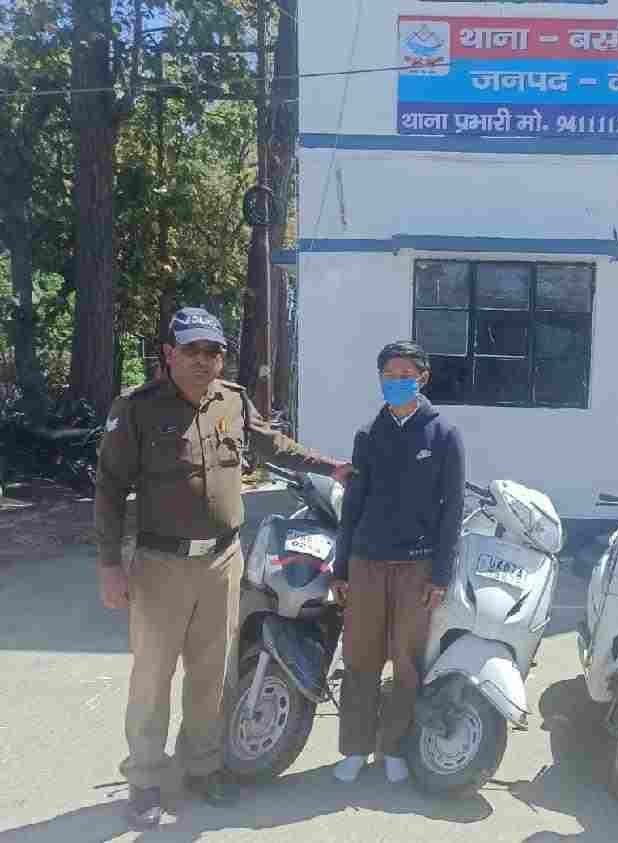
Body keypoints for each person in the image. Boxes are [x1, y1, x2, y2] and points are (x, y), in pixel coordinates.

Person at [94, 306, 353, 829]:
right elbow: (110, 488)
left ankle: (202, 767)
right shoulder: (138, 408)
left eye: (212, 351)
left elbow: (272, 444)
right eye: (191, 350)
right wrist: (109, 566)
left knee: (212, 673)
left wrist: (331, 467)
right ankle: (145, 779)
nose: (203, 360)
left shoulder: (231, 400)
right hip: (161, 563)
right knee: (152, 676)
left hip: (222, 560)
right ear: (168, 354)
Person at [330, 341, 465, 784]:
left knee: (406, 661)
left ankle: (392, 748)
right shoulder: (368, 434)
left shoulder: (443, 434)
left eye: (406, 375)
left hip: (416, 566)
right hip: (367, 562)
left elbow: (452, 509)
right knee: (360, 657)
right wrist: (341, 568)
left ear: (423, 378)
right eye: (389, 375)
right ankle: (355, 747)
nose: (397, 382)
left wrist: (441, 574)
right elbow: (353, 505)